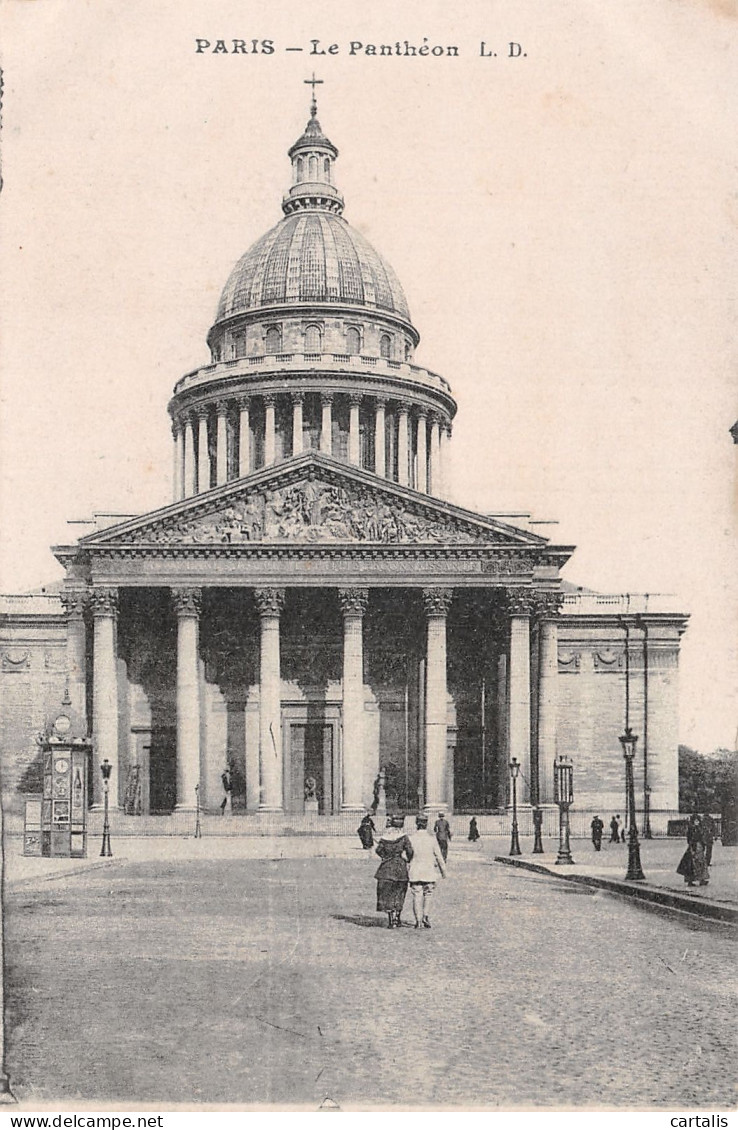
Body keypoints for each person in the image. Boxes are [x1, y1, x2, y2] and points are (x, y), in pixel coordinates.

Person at [407, 814, 447, 928]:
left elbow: (406, 856)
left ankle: (418, 920)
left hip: (415, 872)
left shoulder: (411, 838)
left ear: (416, 824)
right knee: (428, 895)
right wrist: (443, 872)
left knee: (416, 896)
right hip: (429, 872)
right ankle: (425, 915)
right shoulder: (431, 839)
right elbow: (439, 856)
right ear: (426, 824)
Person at [374, 814, 414, 928]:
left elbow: (378, 850)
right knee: (400, 893)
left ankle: (391, 920)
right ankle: (398, 917)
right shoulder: (404, 837)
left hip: (386, 868)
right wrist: (408, 860)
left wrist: (384, 856)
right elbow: (410, 851)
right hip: (400, 867)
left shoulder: (385, 837)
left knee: (387, 894)